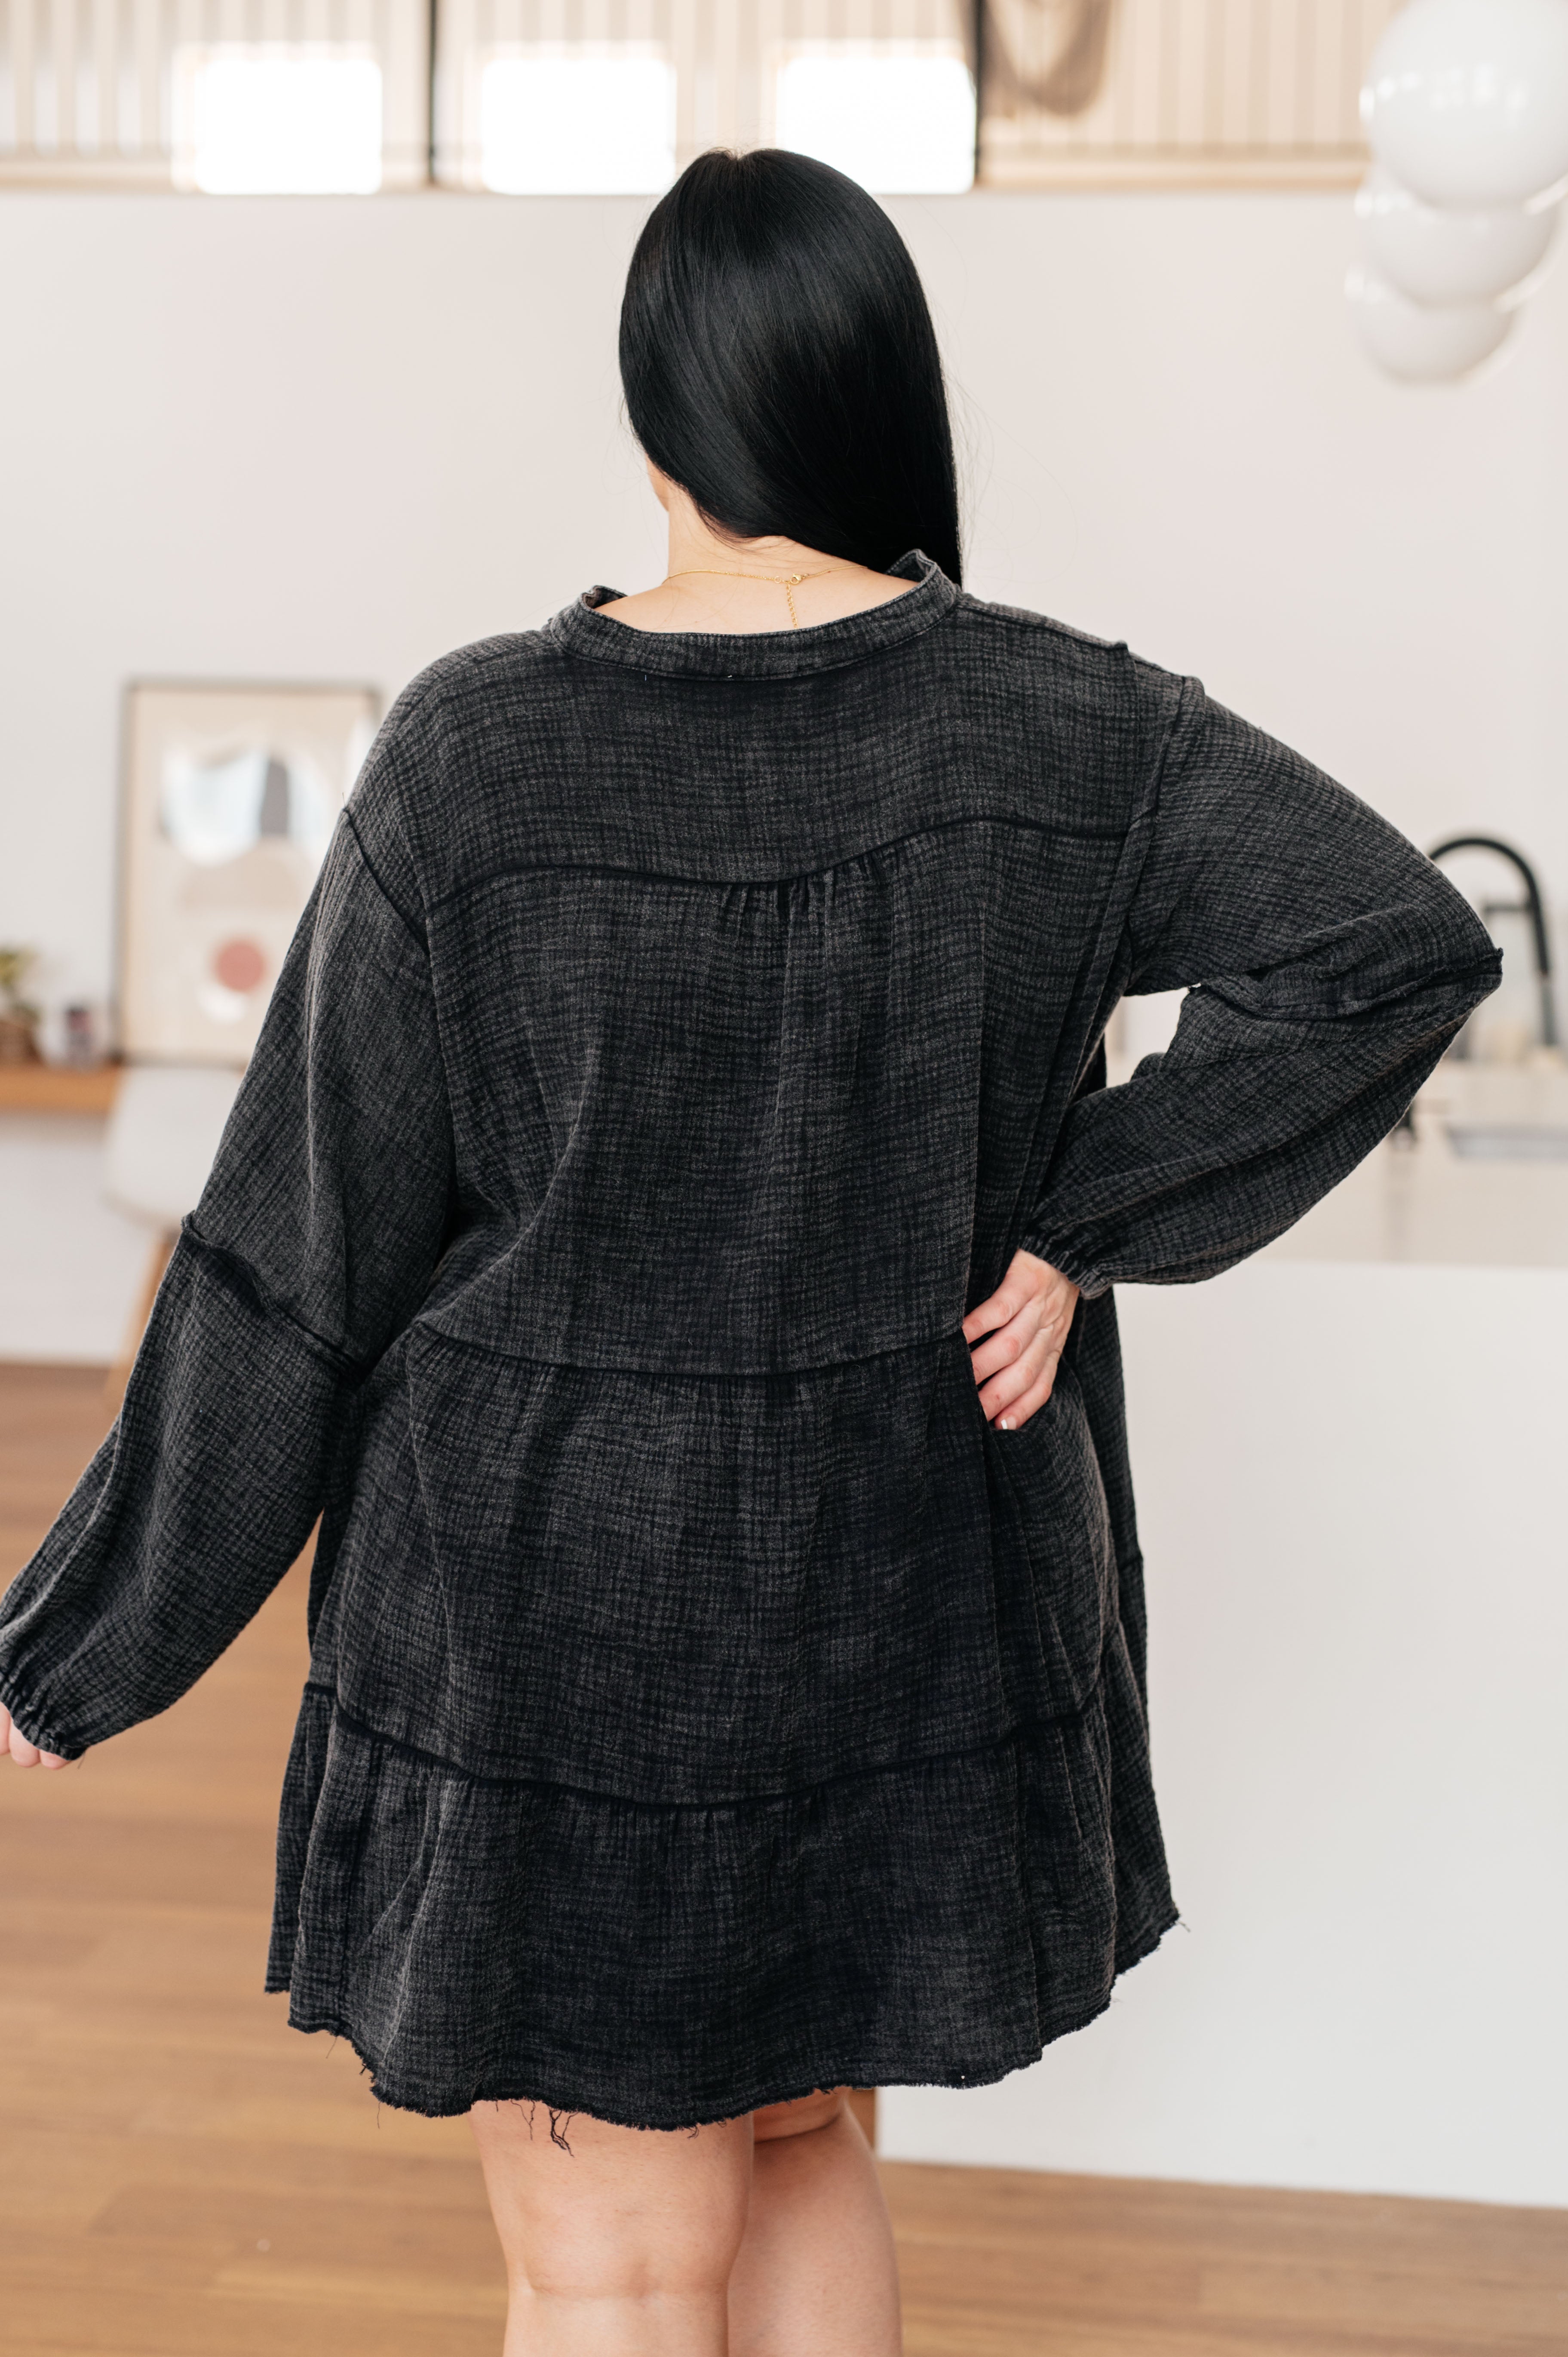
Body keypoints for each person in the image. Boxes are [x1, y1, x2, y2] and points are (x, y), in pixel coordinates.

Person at [0, 148, 1498, 2357]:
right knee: (808, 2154)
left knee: (602, 2265)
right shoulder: (1064, 724)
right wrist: (1077, 1225)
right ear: (884, 402)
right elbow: (1393, 949)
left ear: (651, 421)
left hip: (551, 1628)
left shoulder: (475, 751)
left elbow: (297, 1245)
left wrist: (89, 1633)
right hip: (899, 1599)